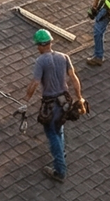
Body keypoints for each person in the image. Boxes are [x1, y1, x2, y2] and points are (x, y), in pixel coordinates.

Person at [23, 28, 84, 183]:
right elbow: (74, 77)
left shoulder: (41, 61)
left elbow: (35, 82)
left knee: (52, 133)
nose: (37, 48)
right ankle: (61, 154)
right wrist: (80, 98)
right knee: (59, 127)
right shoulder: (64, 57)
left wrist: (25, 101)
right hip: (65, 101)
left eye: (37, 45)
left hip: (51, 103)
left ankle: (60, 170)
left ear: (42, 45)